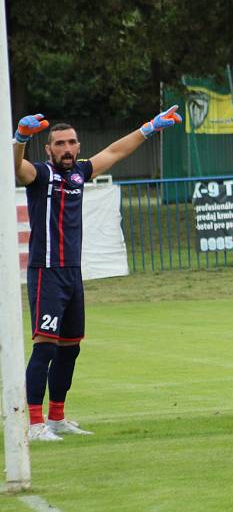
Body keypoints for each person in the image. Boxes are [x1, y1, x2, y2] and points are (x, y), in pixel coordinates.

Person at [13, 106, 182, 441]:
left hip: (73, 274)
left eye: (71, 142)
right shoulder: (41, 175)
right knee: (45, 347)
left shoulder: (80, 174)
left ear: (78, 146)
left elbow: (116, 151)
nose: (66, 148)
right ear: (49, 150)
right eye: (59, 143)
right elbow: (16, 168)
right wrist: (19, 138)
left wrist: (149, 128)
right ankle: (34, 424)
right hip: (46, 271)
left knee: (70, 348)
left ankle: (57, 417)